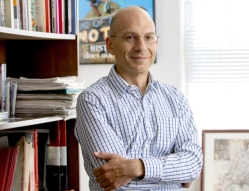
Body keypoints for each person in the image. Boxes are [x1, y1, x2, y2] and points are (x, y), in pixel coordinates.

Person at [74, 6, 203, 191]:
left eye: (149, 37)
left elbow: (192, 165)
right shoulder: (93, 101)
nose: (142, 46)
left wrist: (136, 167)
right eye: (130, 37)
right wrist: (173, 173)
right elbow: (112, 179)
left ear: (156, 43)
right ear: (110, 45)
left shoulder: (176, 99)